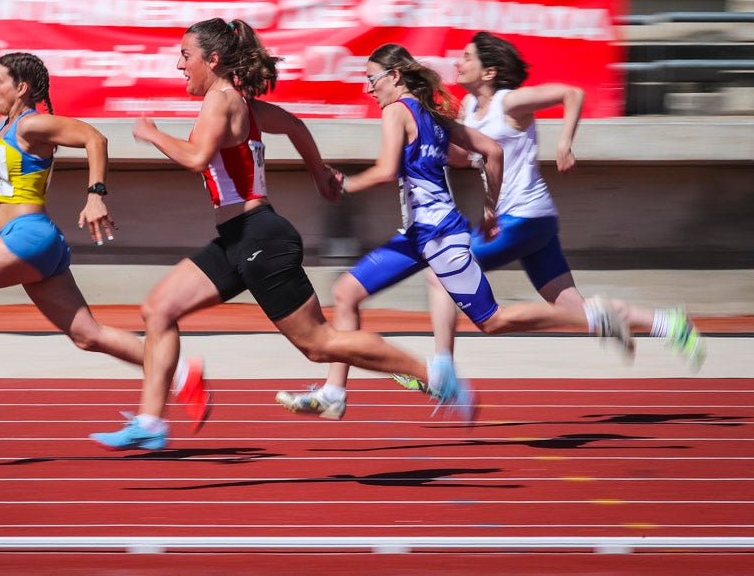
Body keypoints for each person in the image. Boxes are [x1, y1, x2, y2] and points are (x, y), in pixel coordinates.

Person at [88, 18, 479, 451]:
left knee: (320, 344)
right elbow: (295, 125)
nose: (179, 66)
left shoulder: (220, 98)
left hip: (260, 239)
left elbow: (199, 157)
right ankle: (150, 422)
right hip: (236, 239)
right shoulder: (237, 101)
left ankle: (432, 375)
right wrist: (319, 177)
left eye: (185, 56)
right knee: (158, 310)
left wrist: (153, 134)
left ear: (212, 60)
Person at [277, 41, 648, 420]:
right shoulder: (435, 116)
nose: (368, 89)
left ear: (394, 77)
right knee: (346, 292)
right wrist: (488, 209)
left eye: (372, 80)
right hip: (417, 235)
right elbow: (493, 151)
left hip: (439, 236)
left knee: (492, 321)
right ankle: (335, 393)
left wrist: (343, 185)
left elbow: (387, 169)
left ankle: (593, 318)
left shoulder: (396, 112)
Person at [0, 51, 205, 412]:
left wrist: (95, 195)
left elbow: (94, 138)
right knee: (88, 336)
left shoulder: (32, 125)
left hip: (26, 236)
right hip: (39, 243)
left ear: (21, 88)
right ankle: (180, 376)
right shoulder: (3, 127)